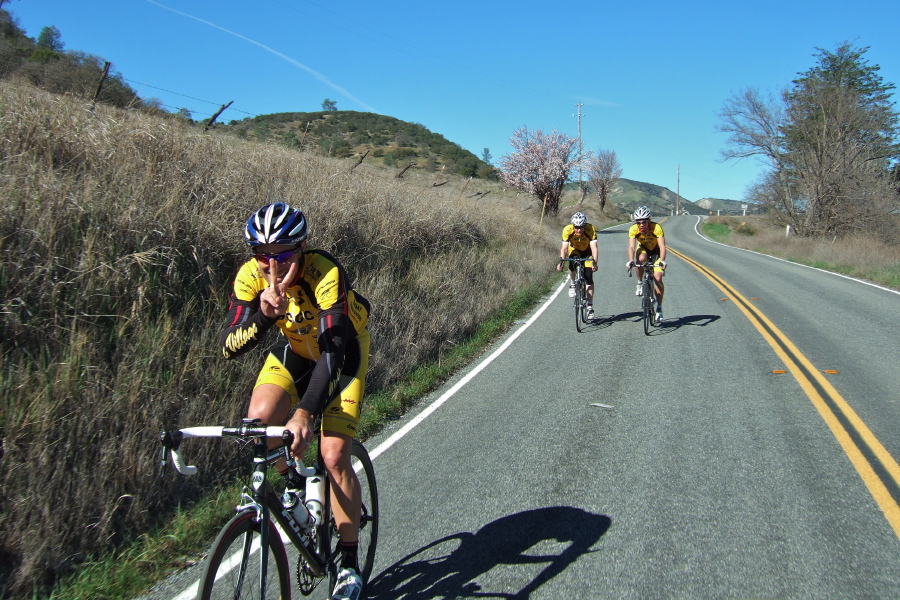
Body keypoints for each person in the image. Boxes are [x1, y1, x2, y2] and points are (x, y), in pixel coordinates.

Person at [221, 202, 371, 600]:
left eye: (284, 256)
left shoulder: (325, 271)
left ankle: (350, 565)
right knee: (258, 422)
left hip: (341, 354)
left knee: (335, 455)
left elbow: (333, 352)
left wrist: (305, 412)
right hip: (295, 352)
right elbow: (229, 346)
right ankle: (292, 480)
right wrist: (265, 318)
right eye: (263, 257)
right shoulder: (249, 278)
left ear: (302, 249)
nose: (273, 267)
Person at [626, 206, 667, 322]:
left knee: (658, 278)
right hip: (644, 249)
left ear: (649, 220)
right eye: (638, 222)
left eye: (644, 221)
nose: (641, 224)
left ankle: (659, 308)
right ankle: (639, 283)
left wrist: (662, 261)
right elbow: (631, 246)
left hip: (656, 251)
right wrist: (630, 260)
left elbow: (662, 246)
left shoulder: (656, 228)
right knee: (640, 259)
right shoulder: (633, 229)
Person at [557, 211, 599, 319]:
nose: (579, 230)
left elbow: (594, 247)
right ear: (573, 226)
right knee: (572, 262)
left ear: (585, 226)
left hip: (587, 252)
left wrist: (595, 262)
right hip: (574, 250)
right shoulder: (567, 230)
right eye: (577, 227)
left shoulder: (590, 229)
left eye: (581, 227)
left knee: (589, 277)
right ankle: (572, 283)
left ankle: (590, 307)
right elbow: (564, 248)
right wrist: (561, 262)